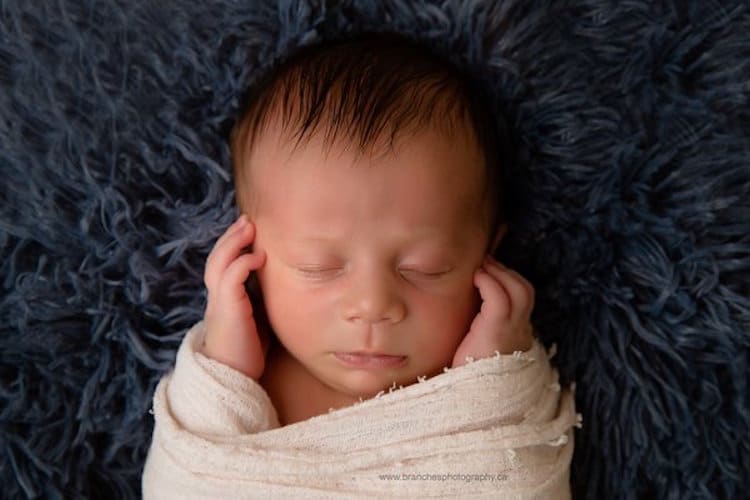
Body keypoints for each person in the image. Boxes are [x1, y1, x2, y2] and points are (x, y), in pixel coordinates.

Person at [143, 31, 576, 498]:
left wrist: (491, 386)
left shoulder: (486, 389)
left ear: (487, 253)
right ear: (250, 260)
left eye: (426, 268)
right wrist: (225, 369)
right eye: (317, 266)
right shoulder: (239, 389)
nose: (373, 305)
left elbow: (514, 480)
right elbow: (182, 481)